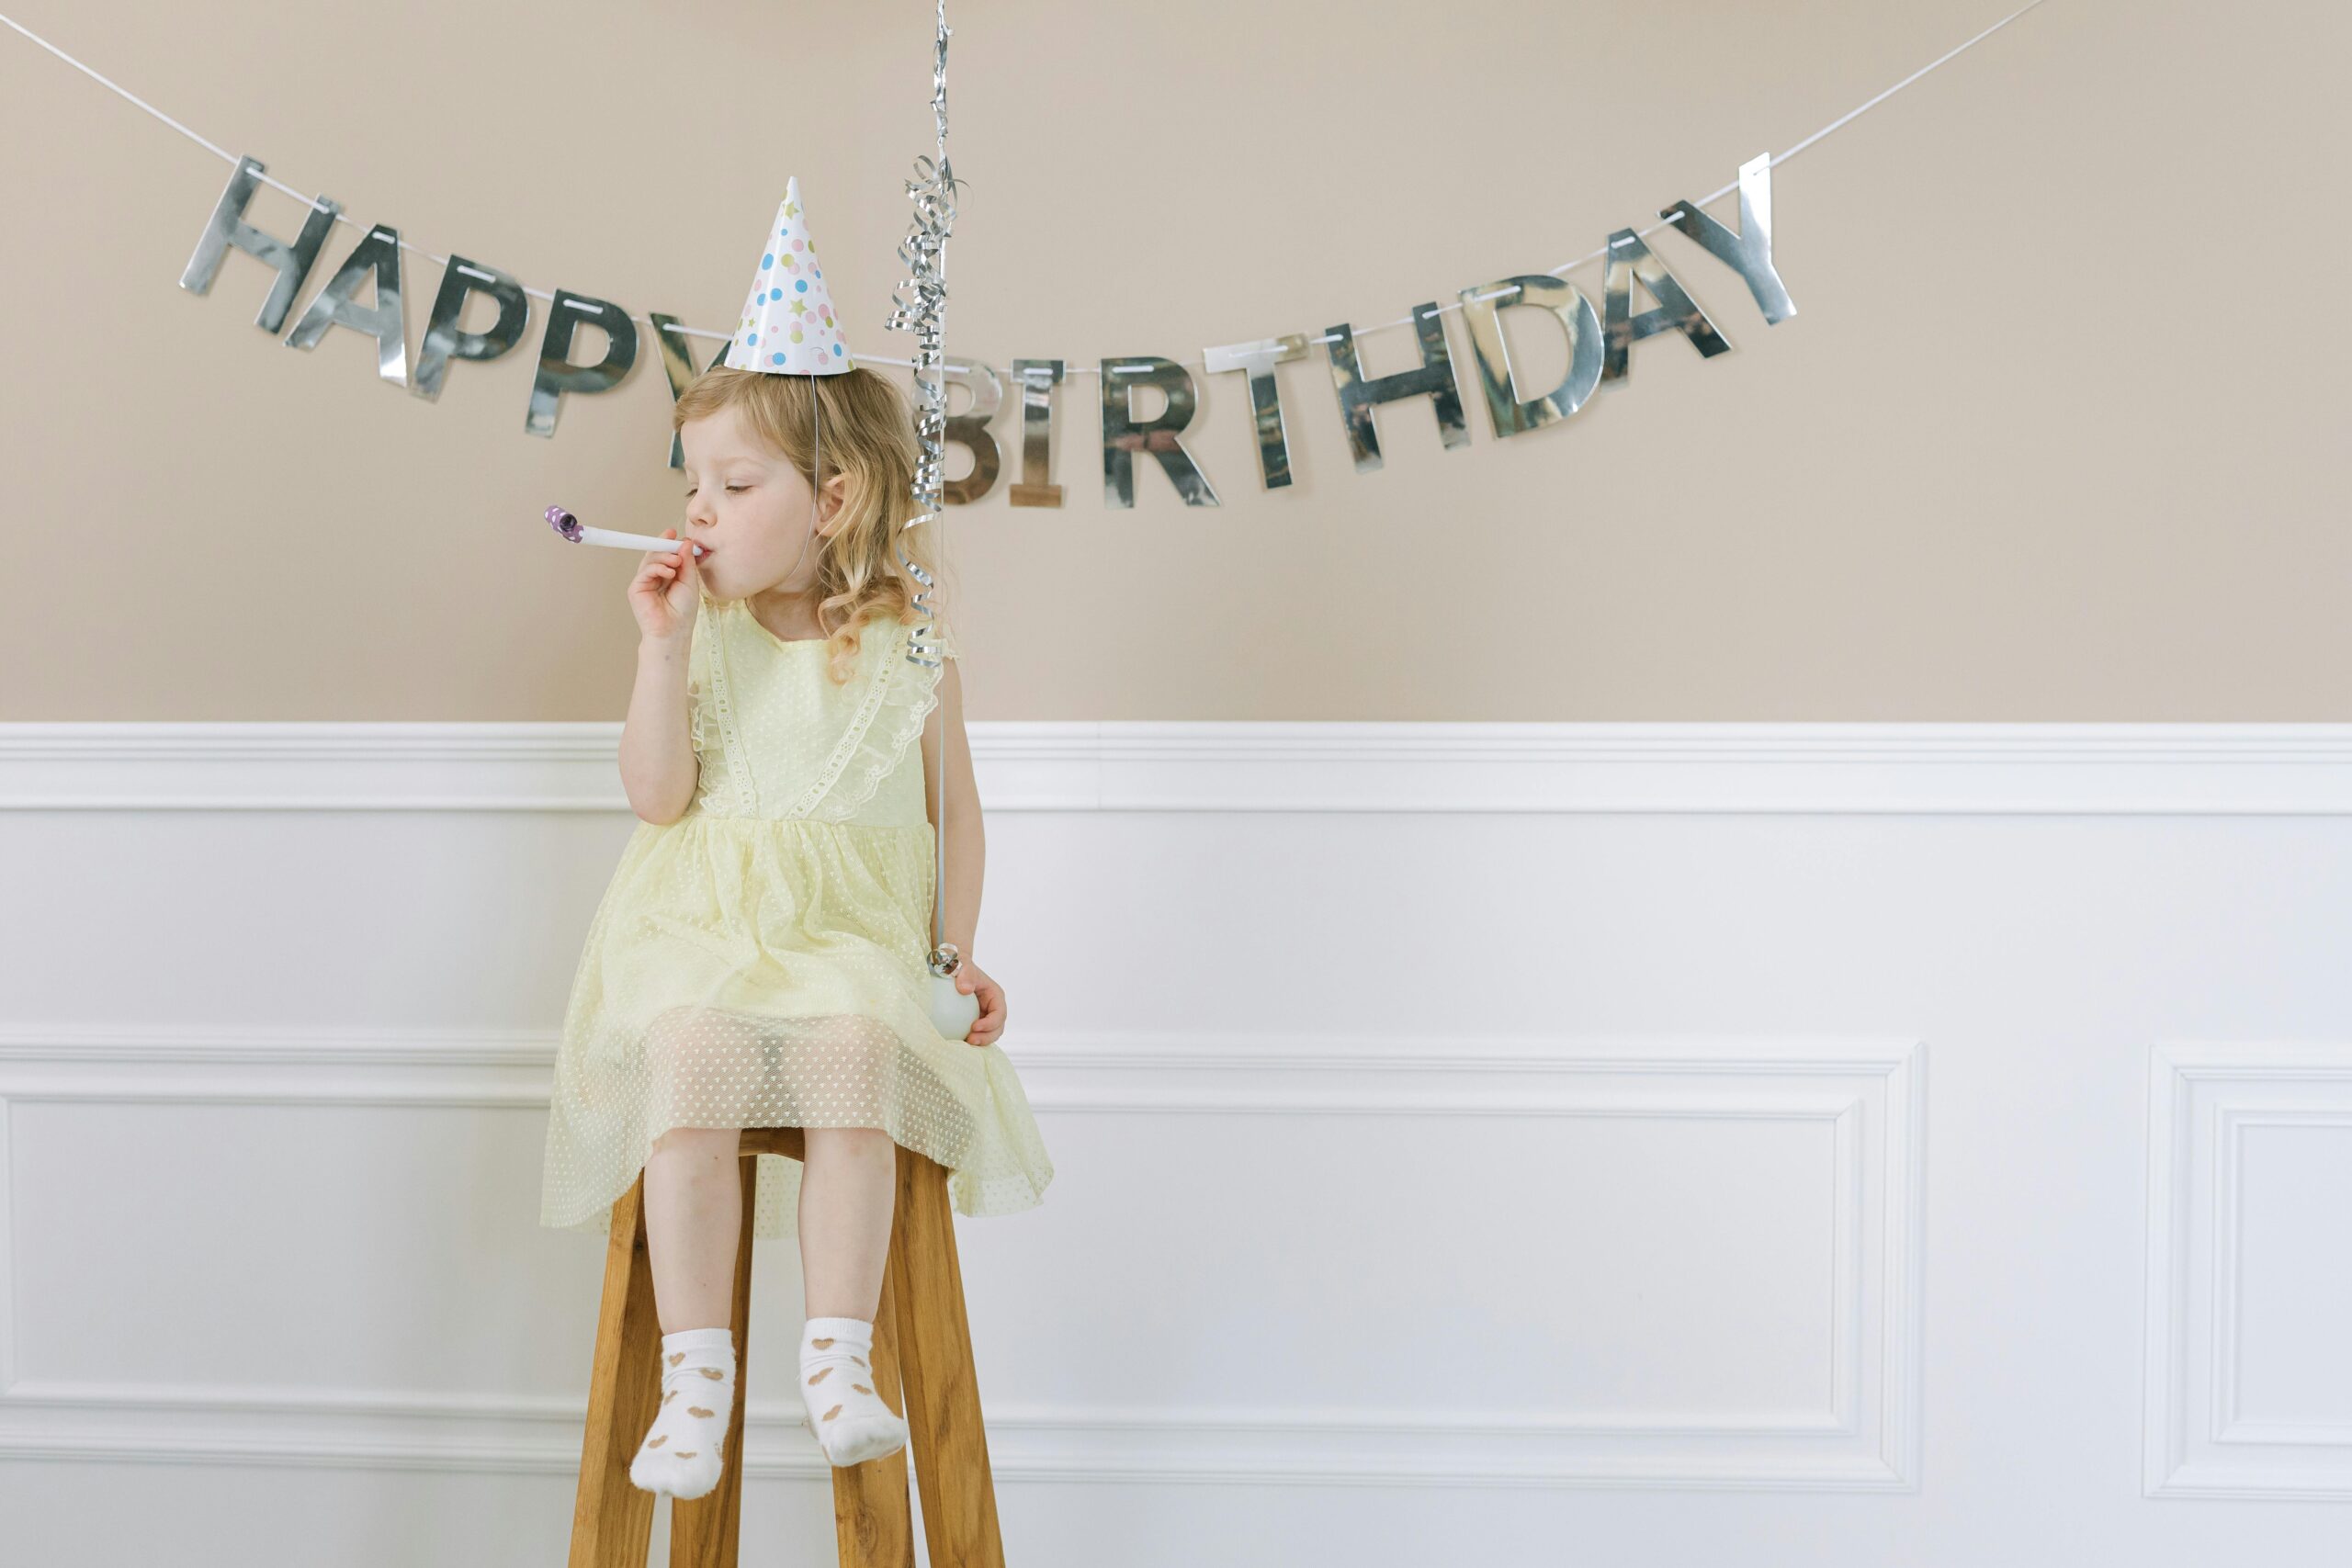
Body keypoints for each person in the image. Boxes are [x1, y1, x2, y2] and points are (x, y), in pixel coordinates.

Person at [537, 179, 1053, 1499]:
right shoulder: (694, 634)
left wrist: (958, 950)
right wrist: (655, 655)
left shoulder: (905, 649)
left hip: (845, 948)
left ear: (830, 501)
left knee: (855, 1054)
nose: (695, 511)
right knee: (692, 1057)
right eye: (689, 483)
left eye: (733, 483)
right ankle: (696, 1373)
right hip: (701, 944)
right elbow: (656, 798)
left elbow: (957, 807)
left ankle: (838, 1355)